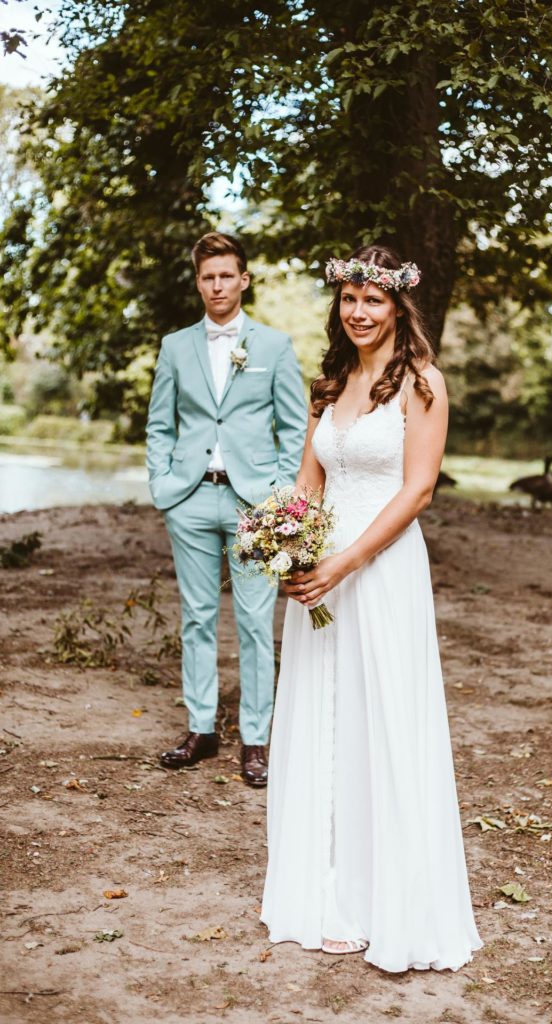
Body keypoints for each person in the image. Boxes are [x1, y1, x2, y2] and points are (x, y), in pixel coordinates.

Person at [261, 244, 482, 972]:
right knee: (323, 715)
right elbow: (308, 483)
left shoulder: (421, 384)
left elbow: (417, 492)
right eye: (349, 300)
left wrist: (343, 564)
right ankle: (320, 886)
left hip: (379, 571)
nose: (358, 313)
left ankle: (379, 896)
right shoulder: (329, 385)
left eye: (372, 302)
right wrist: (285, 547)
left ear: (396, 308)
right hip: (319, 573)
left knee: (377, 717)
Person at [146, 231, 307, 785]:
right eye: (207, 276)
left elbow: (294, 428)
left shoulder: (274, 347)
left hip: (254, 503)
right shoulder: (174, 346)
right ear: (198, 283)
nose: (217, 285)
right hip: (189, 499)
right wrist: (162, 483)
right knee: (196, 617)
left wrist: (281, 497)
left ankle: (256, 740)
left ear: (244, 279)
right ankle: (201, 729)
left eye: (226, 275)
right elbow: (160, 424)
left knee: (256, 623)